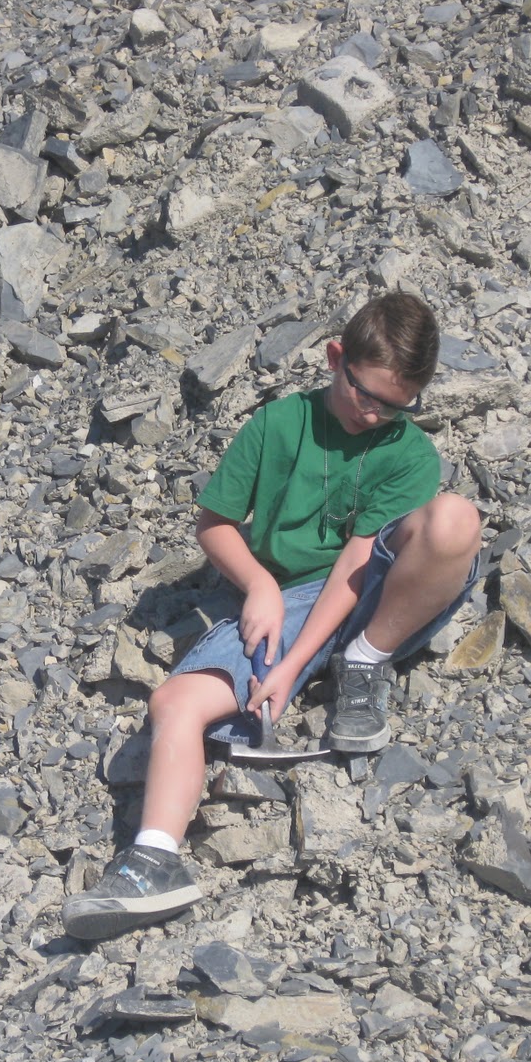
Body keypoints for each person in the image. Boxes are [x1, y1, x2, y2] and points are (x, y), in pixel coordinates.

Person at [61, 292, 483, 941]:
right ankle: (154, 861)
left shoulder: (408, 454)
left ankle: (364, 663)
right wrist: (258, 585)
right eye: (365, 393)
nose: (375, 414)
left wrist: (287, 668)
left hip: (378, 591)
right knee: (175, 703)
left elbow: (354, 566)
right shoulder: (277, 425)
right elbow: (213, 523)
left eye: (396, 405)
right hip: (283, 596)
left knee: (455, 520)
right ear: (335, 358)